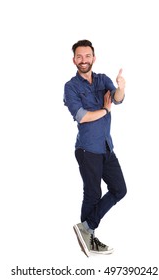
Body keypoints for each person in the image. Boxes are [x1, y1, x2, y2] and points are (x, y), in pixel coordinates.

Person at [63, 39, 127, 257]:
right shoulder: (71, 87)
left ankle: (86, 229)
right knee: (92, 194)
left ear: (93, 57)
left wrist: (120, 87)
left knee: (120, 189)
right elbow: (82, 117)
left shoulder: (102, 80)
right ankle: (88, 237)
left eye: (87, 56)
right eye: (79, 56)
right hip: (87, 149)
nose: (83, 60)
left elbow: (117, 99)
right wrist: (105, 110)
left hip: (106, 147)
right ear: (74, 60)